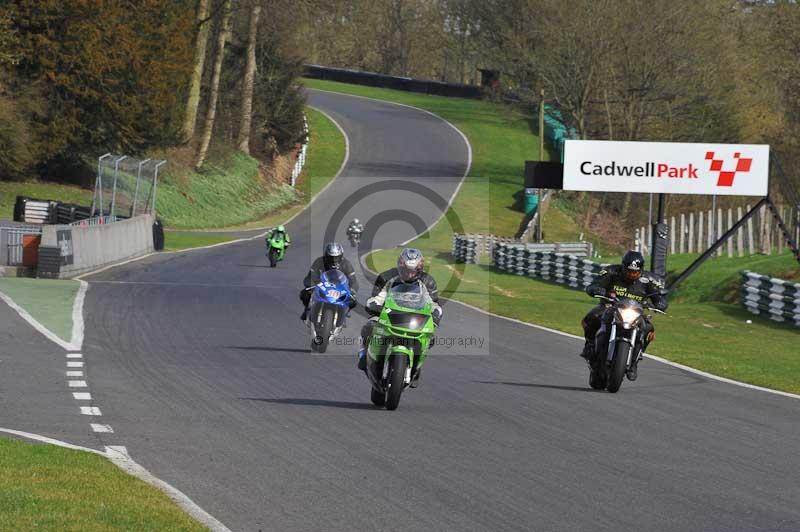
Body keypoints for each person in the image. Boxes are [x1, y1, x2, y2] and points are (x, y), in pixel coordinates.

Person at [357, 248, 441, 386]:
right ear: (400, 266)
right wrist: (373, 304)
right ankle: (363, 354)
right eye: (405, 270)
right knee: (369, 326)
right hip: (388, 314)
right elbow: (378, 297)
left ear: (419, 270)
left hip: (414, 318)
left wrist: (436, 314)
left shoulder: (428, 282)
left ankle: (417, 368)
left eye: (413, 271)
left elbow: (433, 304)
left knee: (430, 337)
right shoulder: (387, 277)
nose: (409, 274)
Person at [580, 250, 668, 381]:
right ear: (623, 267)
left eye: (635, 272)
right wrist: (596, 289)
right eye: (629, 271)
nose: (632, 274)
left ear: (641, 270)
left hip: (636, 311)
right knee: (592, 317)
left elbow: (659, 296)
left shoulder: (649, 279)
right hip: (610, 307)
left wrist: (660, 303)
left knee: (649, 329)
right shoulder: (611, 272)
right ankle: (590, 345)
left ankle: (634, 361)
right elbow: (594, 284)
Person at [300, 242, 358, 320]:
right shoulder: (319, 261)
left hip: (340, 289)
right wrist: (310, 285)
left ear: (341, 256)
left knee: (353, 301)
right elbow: (310, 276)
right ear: (326, 256)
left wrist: (352, 290)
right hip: (322, 287)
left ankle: (345, 313)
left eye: (336, 257)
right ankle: (307, 309)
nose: (334, 260)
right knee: (304, 294)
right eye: (331, 257)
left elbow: (353, 280)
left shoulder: (346, 264)